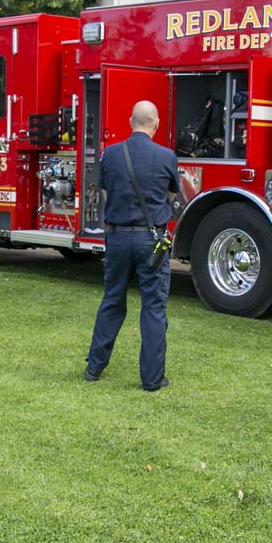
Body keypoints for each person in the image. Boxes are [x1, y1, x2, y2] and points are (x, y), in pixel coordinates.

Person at [84, 100, 179, 391]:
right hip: (151, 240)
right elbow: (172, 195)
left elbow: (102, 191)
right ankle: (152, 379)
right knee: (153, 306)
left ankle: (94, 368)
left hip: (118, 236)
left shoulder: (110, 154)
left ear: (130, 121)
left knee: (112, 300)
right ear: (157, 124)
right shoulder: (166, 156)